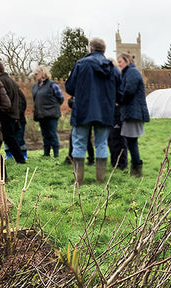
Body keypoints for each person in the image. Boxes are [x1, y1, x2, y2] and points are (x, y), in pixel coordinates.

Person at [65, 38, 120, 186]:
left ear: (90, 49)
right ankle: (100, 181)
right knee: (102, 144)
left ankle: (78, 181)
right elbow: (120, 91)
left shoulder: (80, 64)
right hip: (105, 112)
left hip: (82, 110)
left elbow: (69, 88)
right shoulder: (113, 68)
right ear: (104, 50)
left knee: (79, 144)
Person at [117, 53, 150, 177]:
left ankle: (136, 170)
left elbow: (128, 91)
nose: (119, 64)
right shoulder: (128, 72)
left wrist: (118, 101)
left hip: (134, 113)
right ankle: (135, 169)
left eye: (120, 61)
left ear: (127, 60)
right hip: (131, 112)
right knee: (131, 142)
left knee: (131, 142)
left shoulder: (132, 72)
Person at [0, 61, 26, 164]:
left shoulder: (1, 81)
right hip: (13, 113)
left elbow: (4, 99)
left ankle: (20, 159)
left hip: (6, 114)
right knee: (6, 137)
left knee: (8, 137)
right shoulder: (11, 80)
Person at [32, 66, 64, 158]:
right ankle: (46, 153)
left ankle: (56, 154)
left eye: (36, 74)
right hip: (41, 114)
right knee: (45, 134)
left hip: (52, 114)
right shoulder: (35, 86)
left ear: (43, 73)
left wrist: (53, 106)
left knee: (52, 134)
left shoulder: (52, 85)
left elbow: (60, 98)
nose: (35, 76)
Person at [65, 97, 95, 166]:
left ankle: (91, 159)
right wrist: (73, 102)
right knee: (73, 137)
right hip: (77, 118)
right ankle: (71, 157)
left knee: (87, 139)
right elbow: (71, 101)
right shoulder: (77, 90)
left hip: (87, 118)